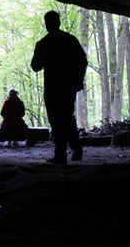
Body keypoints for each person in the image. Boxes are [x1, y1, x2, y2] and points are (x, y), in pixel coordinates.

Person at [31, 11, 87, 164]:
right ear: (59, 22)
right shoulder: (70, 40)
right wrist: (79, 80)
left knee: (56, 120)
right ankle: (76, 149)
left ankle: (61, 154)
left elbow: (35, 66)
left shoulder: (43, 43)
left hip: (52, 87)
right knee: (67, 117)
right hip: (68, 86)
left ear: (46, 24)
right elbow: (83, 61)